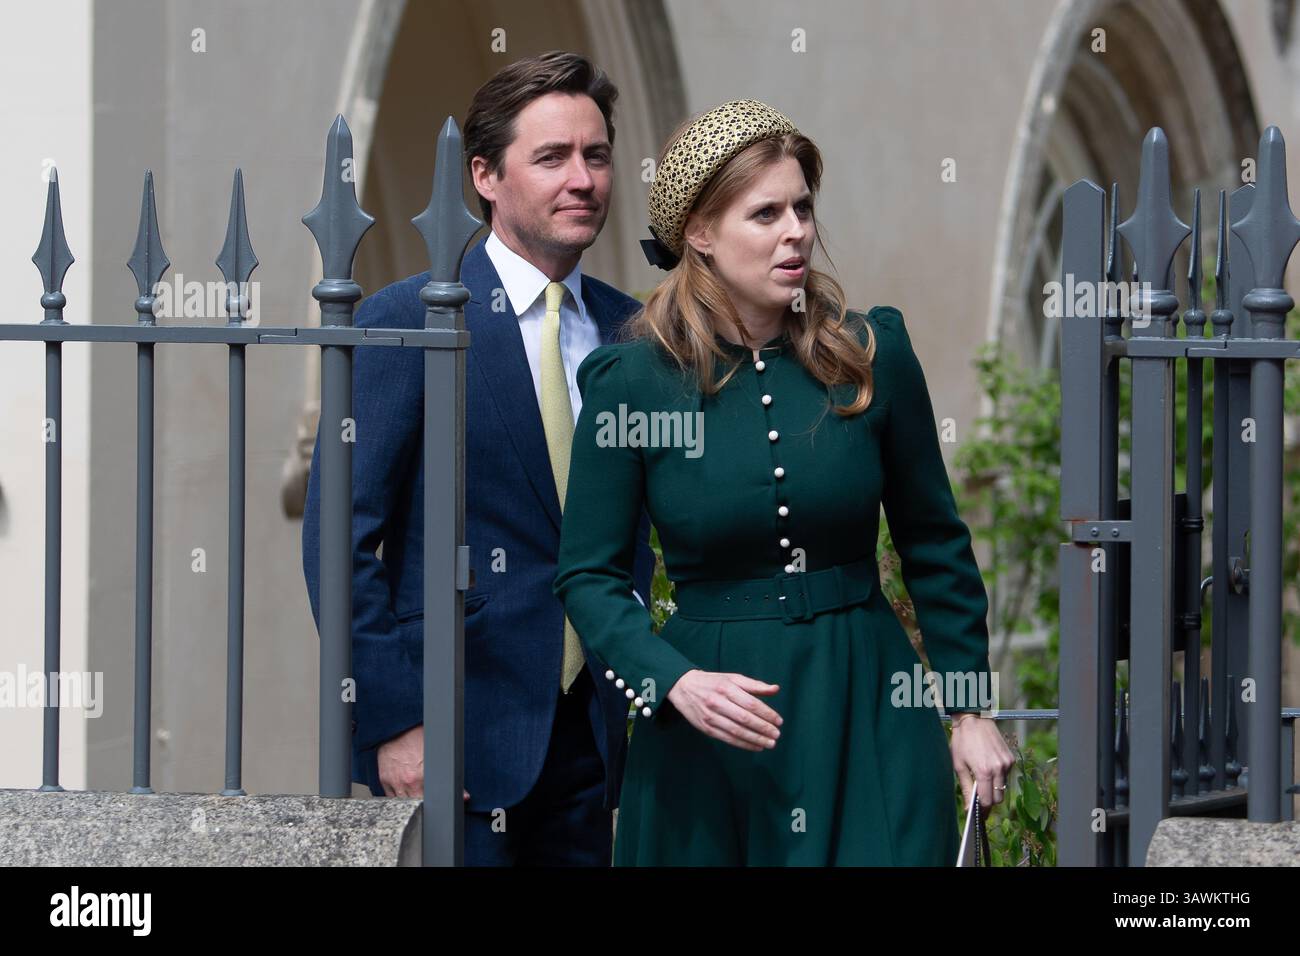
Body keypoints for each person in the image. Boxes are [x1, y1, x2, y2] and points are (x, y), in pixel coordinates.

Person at [553, 99, 1016, 865]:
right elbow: (590, 575)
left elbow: (934, 541)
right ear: (699, 234)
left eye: (802, 206)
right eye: (764, 213)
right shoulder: (633, 381)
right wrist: (671, 681)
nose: (795, 229)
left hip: (867, 703)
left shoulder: (873, 353)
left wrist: (969, 708)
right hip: (708, 725)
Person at [302, 51, 656, 866]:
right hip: (455, 748)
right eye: (553, 158)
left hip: (598, 742)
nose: (583, 179)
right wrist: (395, 720)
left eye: (596, 156)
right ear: (486, 177)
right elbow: (338, 538)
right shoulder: (409, 321)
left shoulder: (632, 332)